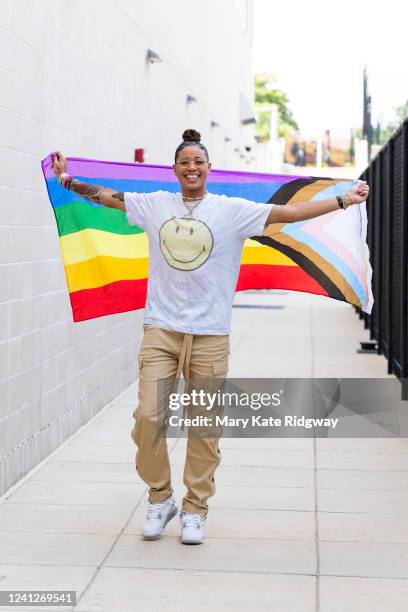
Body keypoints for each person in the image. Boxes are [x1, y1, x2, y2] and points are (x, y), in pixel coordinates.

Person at [51, 129, 369, 545]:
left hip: (210, 336)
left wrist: (343, 200)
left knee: (203, 424)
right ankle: (160, 497)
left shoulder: (231, 211)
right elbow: (109, 197)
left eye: (199, 162)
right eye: (184, 162)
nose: (192, 168)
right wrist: (67, 181)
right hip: (161, 330)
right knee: (148, 419)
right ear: (175, 169)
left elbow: (287, 216)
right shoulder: (154, 205)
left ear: (208, 168)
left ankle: (195, 509)